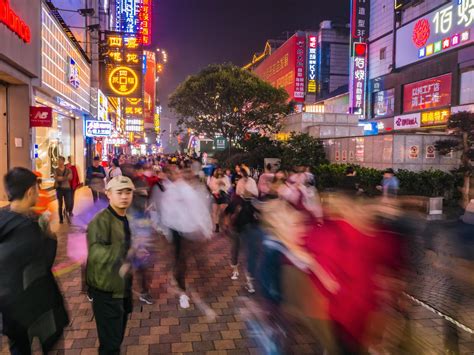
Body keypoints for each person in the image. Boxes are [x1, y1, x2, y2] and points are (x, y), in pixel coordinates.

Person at [0, 167, 69, 354]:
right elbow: (45, 262)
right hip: (39, 307)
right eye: (37, 189)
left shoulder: (3, 218)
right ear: (30, 191)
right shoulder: (31, 227)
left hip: (9, 312)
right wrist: (50, 236)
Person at [86, 176, 135, 354]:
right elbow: (95, 253)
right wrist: (125, 249)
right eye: (119, 192)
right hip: (106, 291)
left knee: (115, 339)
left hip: (121, 287)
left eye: (128, 192)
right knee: (111, 345)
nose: (124, 196)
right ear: (108, 194)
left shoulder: (124, 218)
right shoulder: (100, 221)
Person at [208, 168, 231, 233]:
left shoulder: (225, 177)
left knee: (222, 210)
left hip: (223, 194)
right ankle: (217, 226)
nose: (219, 172)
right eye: (218, 171)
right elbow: (210, 186)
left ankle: (224, 225)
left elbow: (228, 186)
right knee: (215, 212)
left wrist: (223, 184)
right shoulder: (213, 178)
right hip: (215, 195)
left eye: (220, 170)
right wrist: (216, 185)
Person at [54, 156, 73, 224]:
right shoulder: (56, 170)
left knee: (69, 203)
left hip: (67, 188)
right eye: (58, 160)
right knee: (60, 204)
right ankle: (61, 218)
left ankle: (66, 211)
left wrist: (61, 178)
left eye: (60, 160)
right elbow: (56, 178)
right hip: (59, 188)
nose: (59, 162)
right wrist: (65, 178)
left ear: (63, 161)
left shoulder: (68, 169)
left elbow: (70, 177)